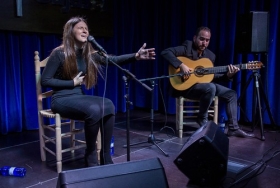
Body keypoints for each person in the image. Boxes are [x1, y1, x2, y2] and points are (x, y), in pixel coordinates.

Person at [41, 17, 156, 167]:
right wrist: (72, 83)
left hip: (78, 97)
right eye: (80, 28)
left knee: (108, 104)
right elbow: (45, 80)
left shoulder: (87, 54)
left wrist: (136, 56)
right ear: (70, 31)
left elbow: (112, 60)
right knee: (94, 110)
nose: (85, 30)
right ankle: (90, 154)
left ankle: (105, 155)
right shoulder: (59, 53)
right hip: (61, 99)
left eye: (86, 29)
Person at [161, 26, 254, 138]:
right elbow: (165, 52)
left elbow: (211, 77)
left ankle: (233, 128)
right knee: (211, 88)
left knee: (231, 94)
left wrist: (228, 75)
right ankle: (202, 117)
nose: (204, 43)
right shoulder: (187, 47)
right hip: (185, 87)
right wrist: (181, 65)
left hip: (203, 87)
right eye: (202, 39)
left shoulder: (210, 56)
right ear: (195, 38)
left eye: (207, 40)